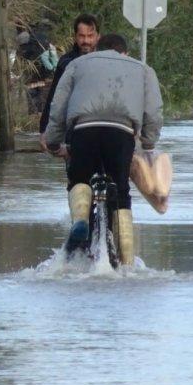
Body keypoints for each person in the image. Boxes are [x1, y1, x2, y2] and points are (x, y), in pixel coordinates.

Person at [44, 33, 163, 267]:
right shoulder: (144, 70)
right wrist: (148, 142)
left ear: (98, 49)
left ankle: (80, 220)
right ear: (125, 52)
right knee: (121, 192)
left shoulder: (78, 64)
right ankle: (127, 262)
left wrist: (53, 141)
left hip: (84, 130)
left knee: (80, 177)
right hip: (121, 133)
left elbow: (58, 105)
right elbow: (154, 110)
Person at [37, 13, 100, 149]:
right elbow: (54, 96)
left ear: (98, 37)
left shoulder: (107, 62)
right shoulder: (66, 62)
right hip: (73, 128)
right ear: (75, 37)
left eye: (90, 36)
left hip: (101, 127)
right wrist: (44, 129)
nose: (86, 41)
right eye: (82, 36)